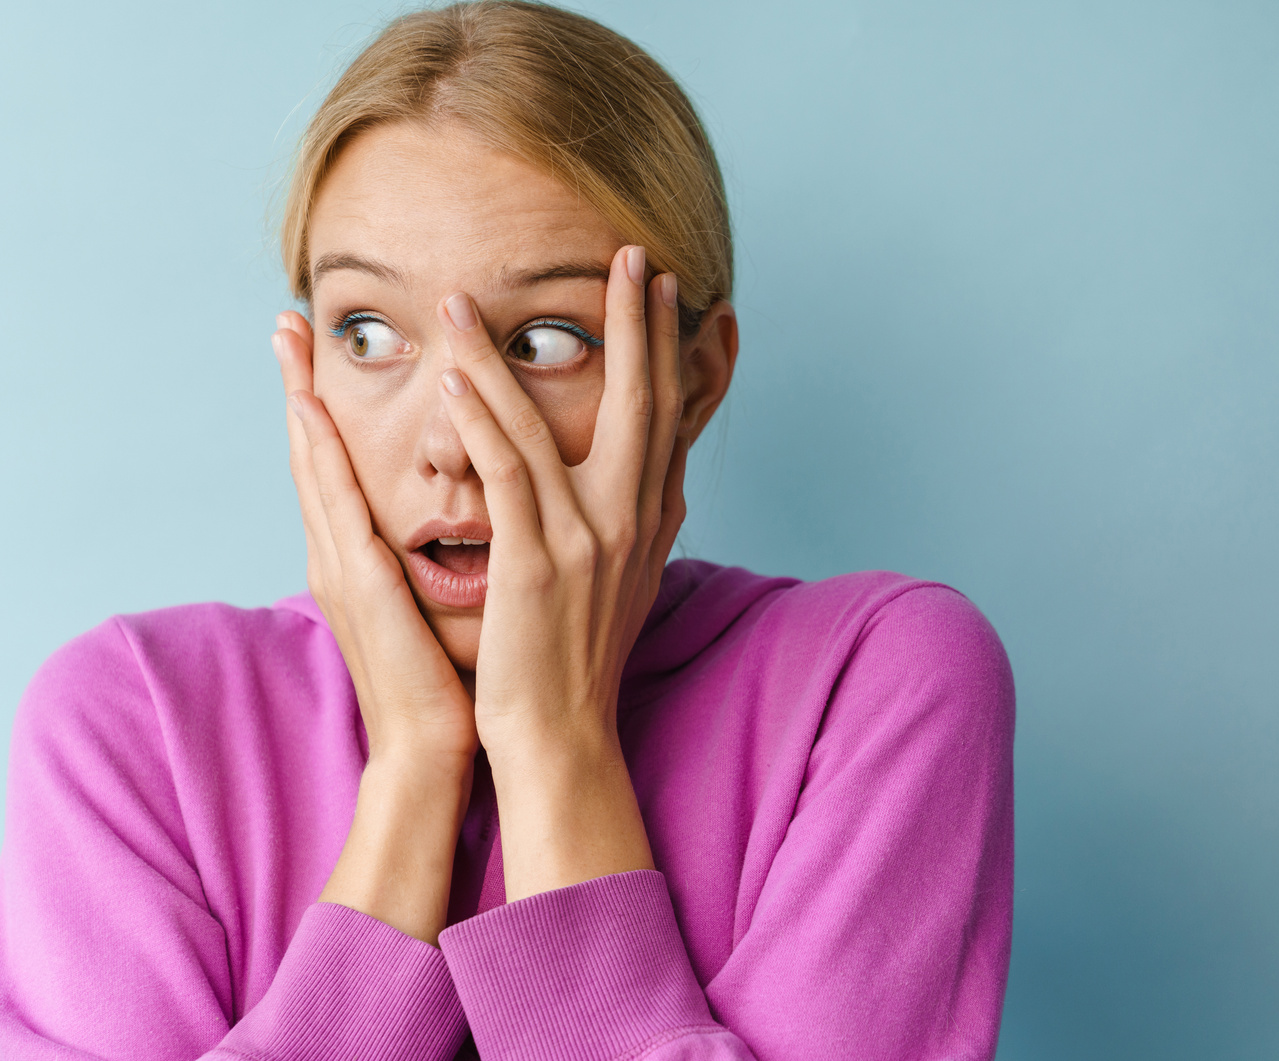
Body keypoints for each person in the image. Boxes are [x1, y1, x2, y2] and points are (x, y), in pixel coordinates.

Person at [0, 3, 1014, 1058]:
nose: (451, 442)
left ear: (694, 378)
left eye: (543, 338)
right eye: (369, 331)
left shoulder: (872, 683)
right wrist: (410, 776)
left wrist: (552, 742)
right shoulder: (135, 725)